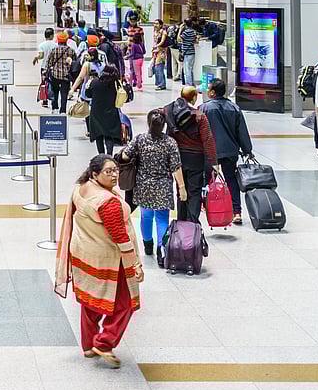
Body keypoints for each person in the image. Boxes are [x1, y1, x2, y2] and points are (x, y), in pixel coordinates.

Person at [54, 153, 143, 367]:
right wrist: (135, 265)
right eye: (108, 171)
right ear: (95, 174)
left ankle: (88, 345)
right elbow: (121, 238)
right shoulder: (107, 202)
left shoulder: (81, 188)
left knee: (90, 300)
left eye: (116, 170)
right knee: (126, 303)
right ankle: (104, 342)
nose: (114, 175)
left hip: (84, 255)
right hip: (108, 259)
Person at [120, 109, 187, 255]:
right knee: (162, 218)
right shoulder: (170, 142)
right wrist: (182, 187)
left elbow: (125, 156)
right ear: (163, 125)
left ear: (148, 123)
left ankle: (148, 246)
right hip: (163, 186)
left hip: (143, 185)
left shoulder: (140, 139)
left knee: (146, 216)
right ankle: (161, 249)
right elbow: (176, 167)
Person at [200, 79, 253, 225]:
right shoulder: (234, 108)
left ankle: (207, 206)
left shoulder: (204, 108)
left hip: (210, 152)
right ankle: (237, 212)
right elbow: (241, 131)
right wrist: (248, 149)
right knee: (231, 180)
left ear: (212, 92)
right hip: (230, 152)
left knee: (208, 180)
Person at [164, 87, 220, 223]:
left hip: (178, 158)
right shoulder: (199, 116)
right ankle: (193, 221)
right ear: (194, 98)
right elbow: (208, 139)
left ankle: (181, 221)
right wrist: (214, 161)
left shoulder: (170, 113)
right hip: (196, 158)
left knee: (180, 189)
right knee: (194, 191)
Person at [84, 65, 123, 155]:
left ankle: (101, 155)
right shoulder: (115, 83)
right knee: (109, 135)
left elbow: (88, 94)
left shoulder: (95, 82)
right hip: (111, 111)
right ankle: (109, 154)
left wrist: (88, 84)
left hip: (96, 112)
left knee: (99, 135)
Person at [46, 33, 77, 114]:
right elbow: (75, 63)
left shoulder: (54, 50)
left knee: (55, 91)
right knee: (64, 94)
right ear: (66, 40)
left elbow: (49, 63)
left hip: (55, 75)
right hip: (66, 76)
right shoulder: (71, 51)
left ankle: (55, 107)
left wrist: (46, 73)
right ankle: (63, 110)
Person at [33, 27, 57, 107]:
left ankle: (45, 101)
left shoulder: (42, 45)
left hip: (44, 67)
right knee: (53, 83)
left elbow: (41, 55)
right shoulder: (55, 45)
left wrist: (36, 58)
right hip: (53, 67)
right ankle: (54, 99)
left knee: (44, 83)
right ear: (51, 36)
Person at [178, 17, 199, 86]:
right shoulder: (193, 31)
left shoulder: (186, 32)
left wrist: (180, 29)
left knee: (187, 70)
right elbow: (195, 41)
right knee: (190, 69)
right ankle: (192, 84)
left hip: (187, 53)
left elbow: (178, 39)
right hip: (192, 52)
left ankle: (189, 85)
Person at [125, 23, 146, 92]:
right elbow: (143, 51)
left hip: (135, 59)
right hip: (141, 58)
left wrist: (127, 56)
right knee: (139, 72)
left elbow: (133, 53)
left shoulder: (133, 45)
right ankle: (138, 83)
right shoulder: (141, 44)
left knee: (133, 71)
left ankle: (137, 85)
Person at [150, 20, 168, 91]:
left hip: (161, 51)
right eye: (154, 23)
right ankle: (160, 83)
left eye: (157, 24)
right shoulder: (155, 32)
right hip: (156, 51)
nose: (155, 25)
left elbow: (162, 41)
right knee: (156, 67)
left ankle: (161, 84)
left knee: (159, 67)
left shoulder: (163, 32)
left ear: (161, 25)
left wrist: (156, 46)